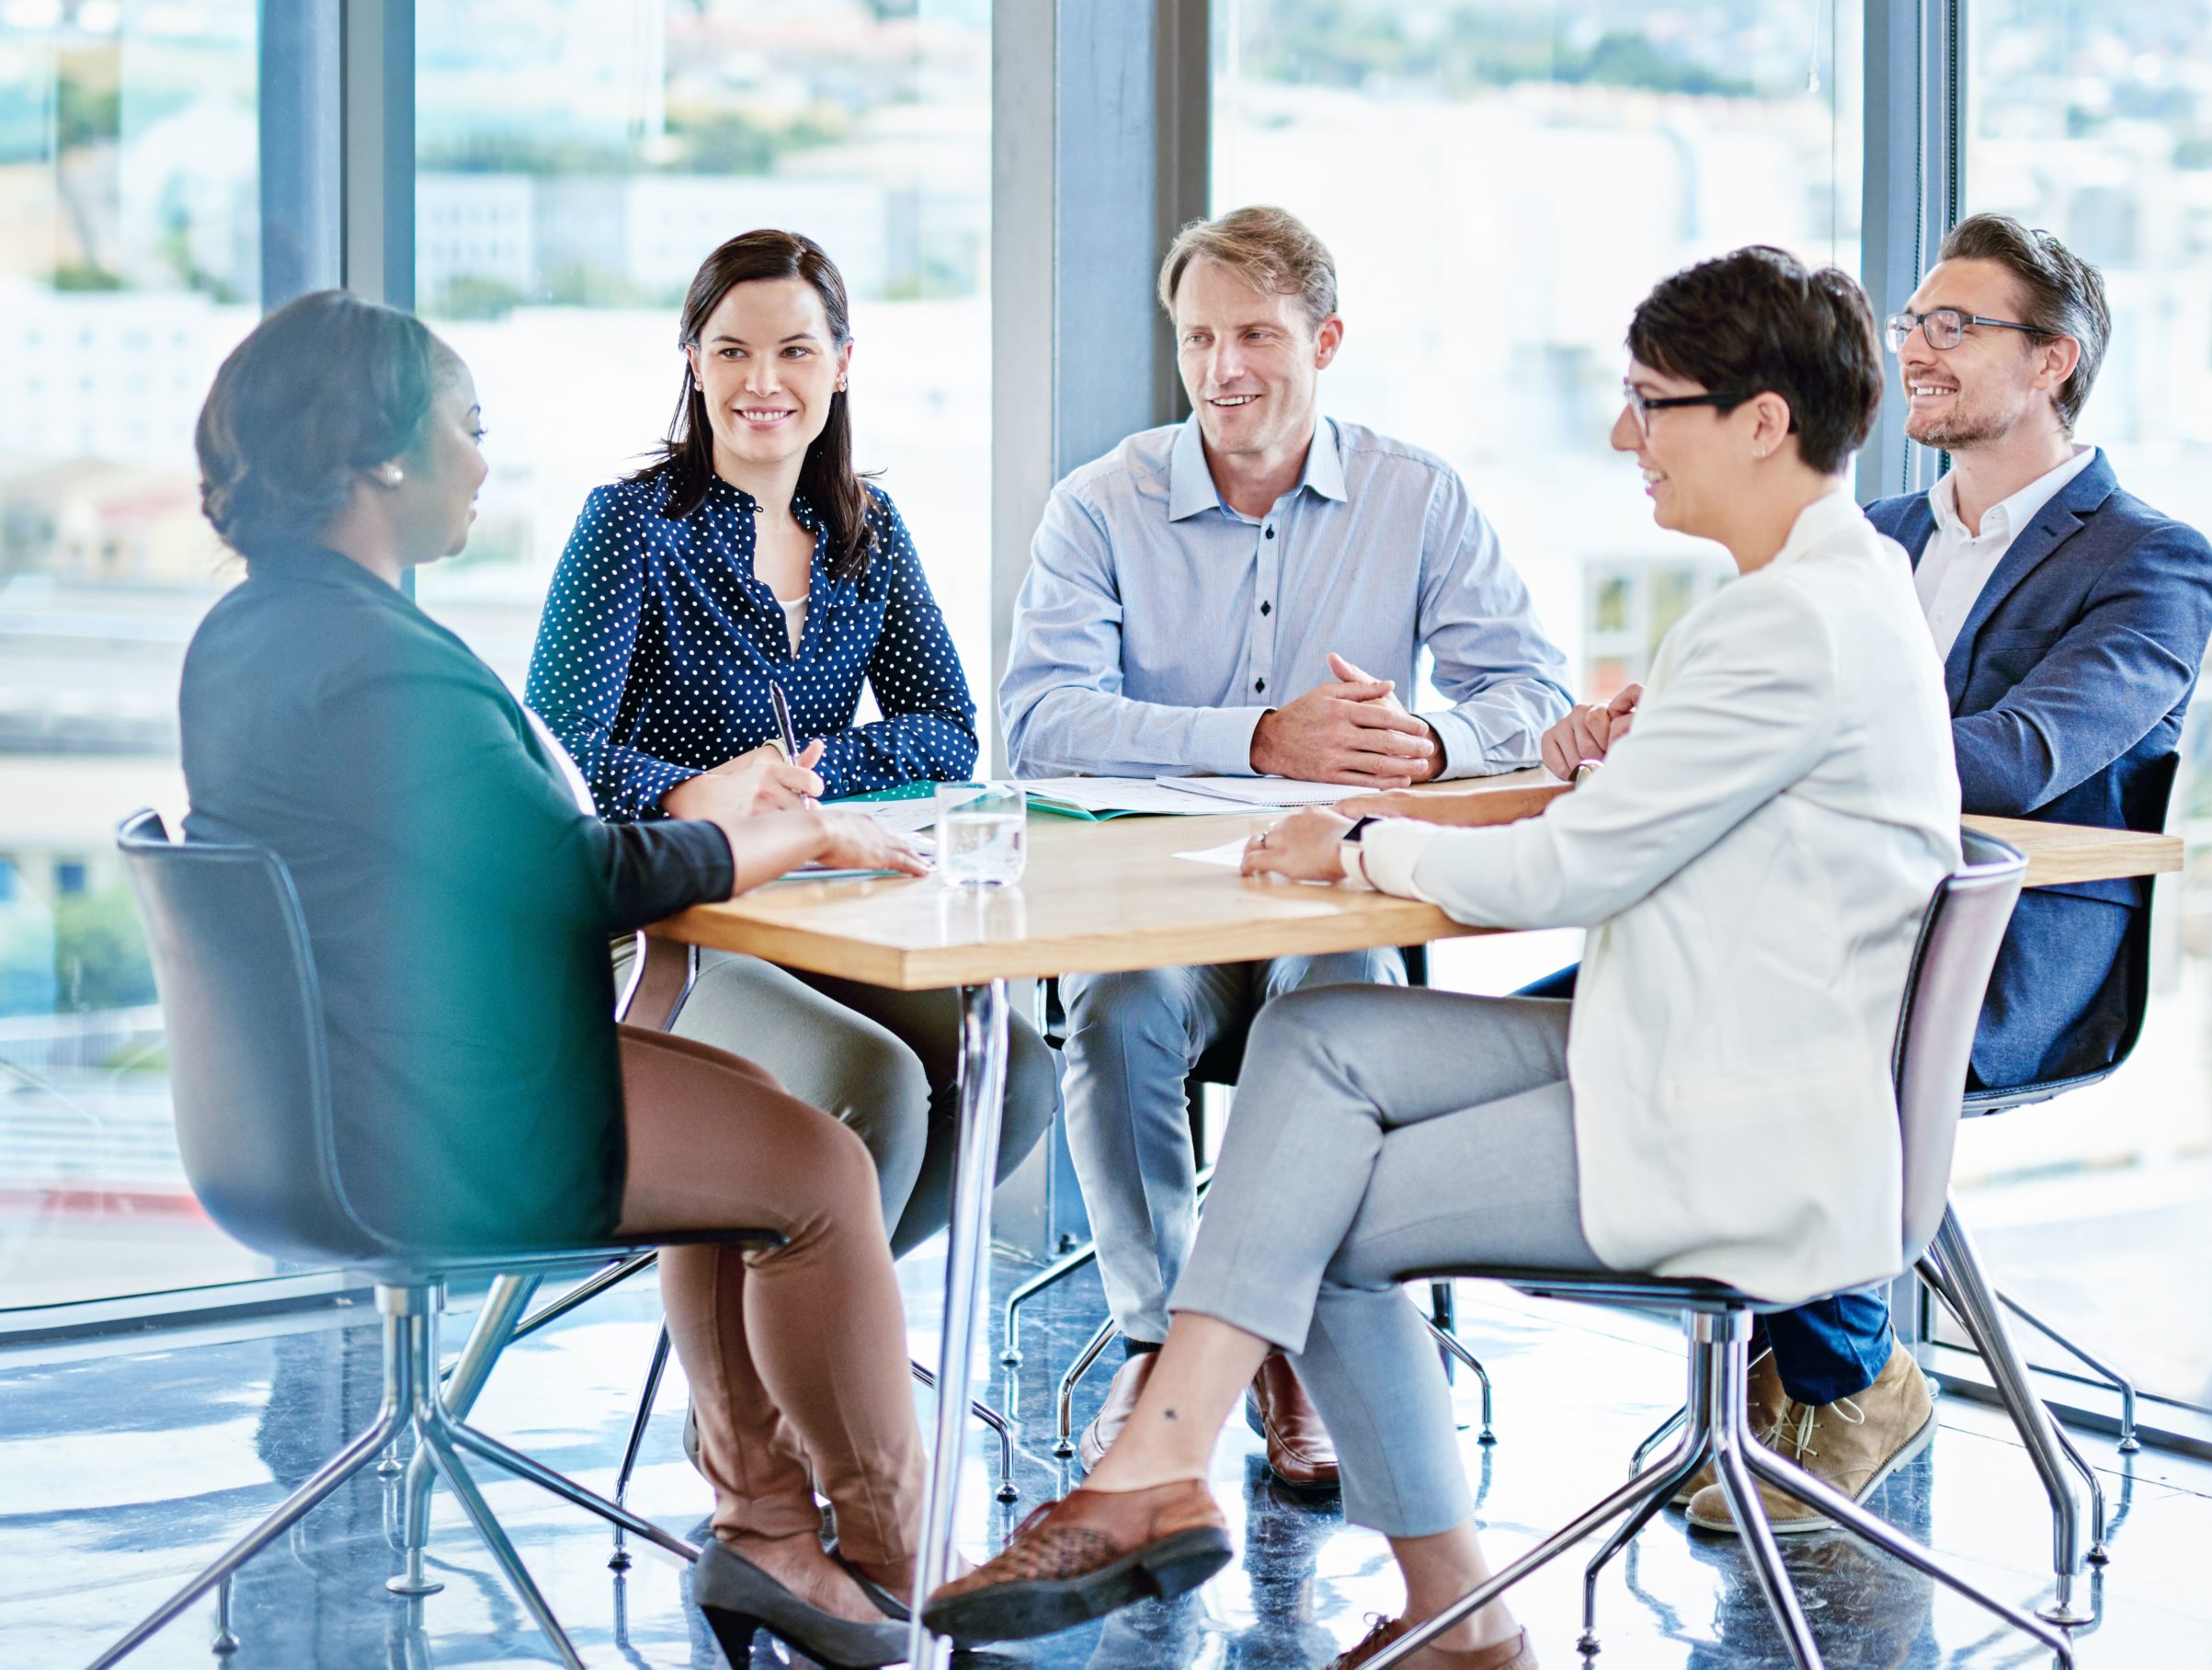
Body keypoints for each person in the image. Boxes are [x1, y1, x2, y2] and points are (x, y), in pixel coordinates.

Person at [926, 247, 1961, 1667]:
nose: (1621, 436)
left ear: (1763, 422)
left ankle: (1420, 1596)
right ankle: (1177, 1459)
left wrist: (1356, 841)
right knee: (1317, 1042)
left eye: (1651, 404)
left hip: (1726, 1118)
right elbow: (1671, 826)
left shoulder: (1784, 623)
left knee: (1323, 1217)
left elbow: (1569, 873)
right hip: (1688, 1049)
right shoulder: (1831, 592)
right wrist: (1617, 758)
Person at [182, 291, 931, 1669]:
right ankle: (900, 1569)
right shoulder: (376, 666)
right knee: (818, 1174)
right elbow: (573, 877)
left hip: (342, 1093)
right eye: (466, 429)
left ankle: (767, 1527)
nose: (483, 458)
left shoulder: (255, 637)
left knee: (756, 1117)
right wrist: (780, 836)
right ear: (382, 457)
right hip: (440, 1117)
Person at [1536, 213, 2212, 1537]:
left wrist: (1778, 748)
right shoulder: (1865, 528)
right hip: (1803, 926)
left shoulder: (2150, 557)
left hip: (2003, 948)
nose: (1915, 349)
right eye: (1910, 324)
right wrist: (1648, 728)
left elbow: (2028, 758)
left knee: (1736, 1029)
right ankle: (1810, 1357)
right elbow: (1744, 706)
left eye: (1954, 327)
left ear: (2055, 362)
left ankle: (1845, 1370)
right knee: (1561, 1030)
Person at [997, 205, 1572, 1485]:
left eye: (1256, 333)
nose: (1224, 369)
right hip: (1165, 917)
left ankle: (1296, 1334)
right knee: (1115, 1018)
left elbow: (1532, 692)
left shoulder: (1416, 496)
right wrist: (1261, 740)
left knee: (1338, 1011)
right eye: (1198, 337)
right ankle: (1163, 1342)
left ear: (1327, 340)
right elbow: (1036, 722)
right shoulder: (1100, 504)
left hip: (1338, 901)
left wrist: (1431, 746)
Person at [526, 229, 1055, 1262]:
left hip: (819, 912)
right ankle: (797, 1376)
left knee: (1017, 1073)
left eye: (796, 351)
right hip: (671, 927)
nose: (762, 381)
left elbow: (949, 732)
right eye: (731, 351)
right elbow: (556, 754)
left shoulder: (870, 530)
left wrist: (806, 784)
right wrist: (695, 792)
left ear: (842, 365)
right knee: (880, 1089)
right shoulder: (628, 527)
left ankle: (800, 1324)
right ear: (692, 361)